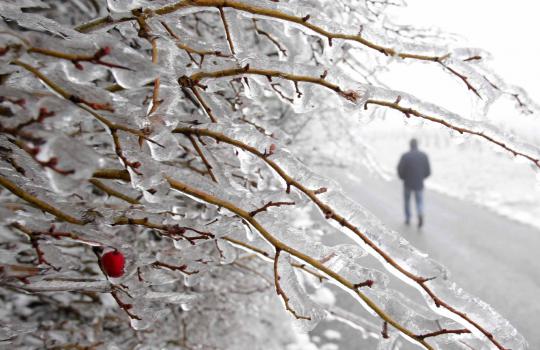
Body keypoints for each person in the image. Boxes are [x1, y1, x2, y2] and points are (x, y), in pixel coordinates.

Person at [397, 138, 431, 228]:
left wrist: (403, 177)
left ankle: (408, 218)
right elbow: (428, 171)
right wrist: (421, 177)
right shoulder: (424, 156)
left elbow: (400, 169)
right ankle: (420, 213)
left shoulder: (405, 156)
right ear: (417, 145)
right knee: (419, 202)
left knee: (407, 201)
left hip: (407, 183)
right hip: (419, 183)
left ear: (410, 145)